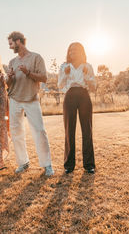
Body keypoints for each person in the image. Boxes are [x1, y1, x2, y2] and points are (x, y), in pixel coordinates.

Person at [6, 31, 54, 176]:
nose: (10, 47)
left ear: (19, 41)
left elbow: (44, 78)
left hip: (31, 98)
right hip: (14, 98)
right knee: (16, 132)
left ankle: (47, 165)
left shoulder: (36, 57)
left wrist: (28, 73)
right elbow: (8, 84)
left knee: (39, 131)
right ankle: (23, 162)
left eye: (11, 43)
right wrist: (9, 78)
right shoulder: (12, 62)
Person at [58, 42, 96, 174]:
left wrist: (86, 75)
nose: (72, 52)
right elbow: (60, 84)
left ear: (81, 52)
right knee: (69, 130)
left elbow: (93, 86)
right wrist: (66, 74)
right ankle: (69, 165)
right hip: (70, 96)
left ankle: (89, 165)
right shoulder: (64, 66)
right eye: (70, 50)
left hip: (84, 95)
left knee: (87, 130)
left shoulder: (87, 66)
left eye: (75, 50)